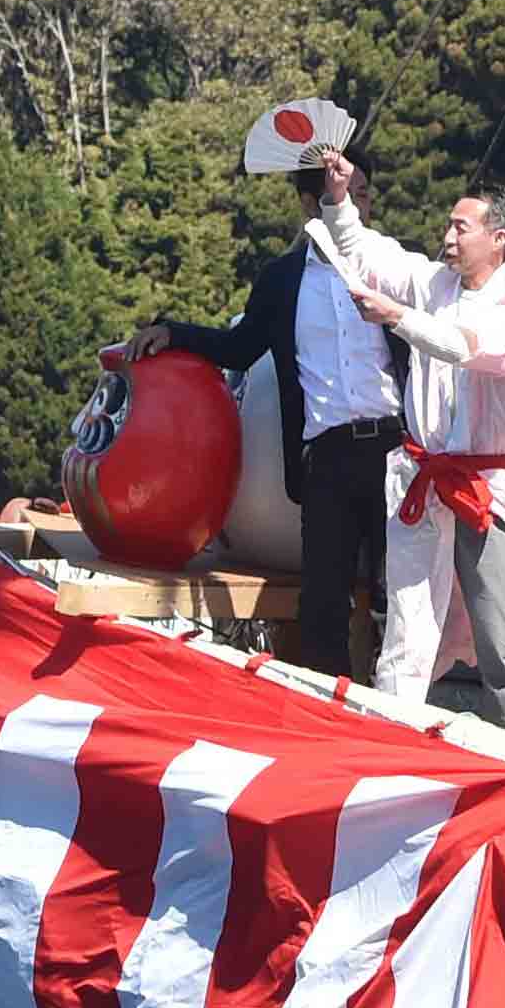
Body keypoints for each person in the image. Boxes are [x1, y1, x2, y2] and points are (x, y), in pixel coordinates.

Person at [314, 166, 505, 728]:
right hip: (423, 472)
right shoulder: (434, 284)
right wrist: (338, 199)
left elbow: (480, 350)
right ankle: (394, 733)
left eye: (462, 228)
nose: (449, 238)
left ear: (498, 237)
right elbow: (367, 252)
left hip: (492, 486)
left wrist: (400, 319)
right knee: (407, 619)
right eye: (450, 227)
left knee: (497, 629)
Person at [127, 132, 397, 680]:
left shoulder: (391, 266)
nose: (357, 205)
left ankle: (410, 718)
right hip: (325, 455)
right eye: (343, 193)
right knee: (322, 603)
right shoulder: (281, 281)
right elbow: (241, 347)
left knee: (401, 600)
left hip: (397, 450)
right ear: (307, 203)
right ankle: (330, 717)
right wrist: (172, 333)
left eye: (364, 193)